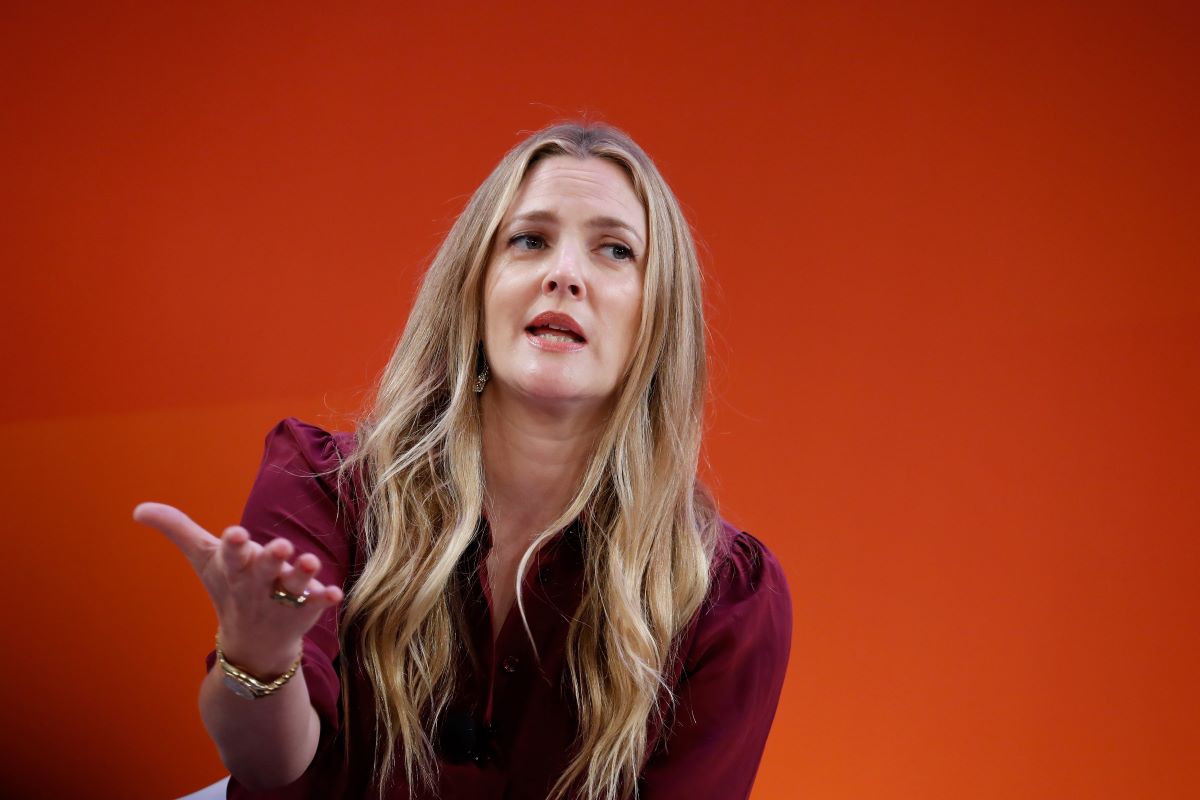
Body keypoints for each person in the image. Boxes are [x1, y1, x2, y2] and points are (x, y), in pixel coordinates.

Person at [135, 122, 793, 800]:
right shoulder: (321, 485)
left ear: (659, 319)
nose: (563, 274)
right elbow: (269, 767)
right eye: (529, 240)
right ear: (473, 289)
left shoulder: (726, 600)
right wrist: (259, 653)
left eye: (615, 250)